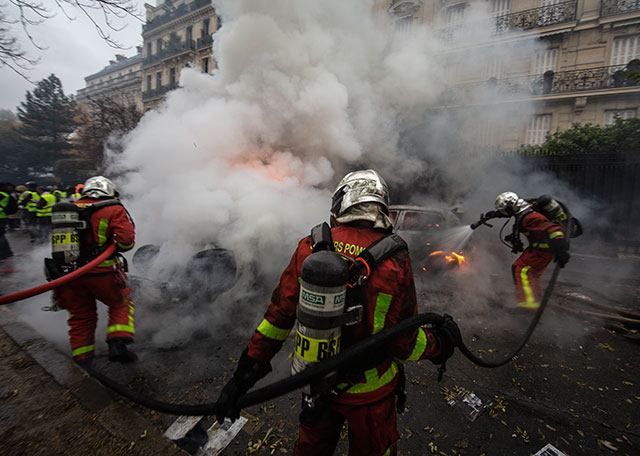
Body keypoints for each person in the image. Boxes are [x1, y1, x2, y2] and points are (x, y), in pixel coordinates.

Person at [214, 169, 460, 456]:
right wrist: (440, 345)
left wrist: (242, 378)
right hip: (371, 394)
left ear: (341, 202)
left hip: (316, 383)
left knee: (311, 450)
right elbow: (403, 341)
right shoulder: (396, 260)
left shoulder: (309, 247)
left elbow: (277, 319)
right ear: (381, 206)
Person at [54, 176, 137, 367]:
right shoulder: (112, 208)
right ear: (109, 191)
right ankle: (118, 343)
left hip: (68, 274)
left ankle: (83, 361)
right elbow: (126, 241)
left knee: (81, 316)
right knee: (120, 303)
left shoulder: (69, 208)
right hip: (102, 271)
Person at [487, 192, 570, 310]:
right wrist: (495, 214)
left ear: (511, 206)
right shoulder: (524, 209)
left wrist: (562, 250)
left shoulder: (530, 217)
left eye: (506, 210)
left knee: (521, 271)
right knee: (532, 273)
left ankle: (528, 305)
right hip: (538, 249)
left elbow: (553, 229)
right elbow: (510, 214)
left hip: (543, 250)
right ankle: (536, 300)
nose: (506, 213)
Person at [0, 183, 15, 260]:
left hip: (1, 216)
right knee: (2, 235)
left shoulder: (1, 194)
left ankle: (2, 254)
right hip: (3, 216)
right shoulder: (6, 194)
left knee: (0, 236)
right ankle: (8, 252)